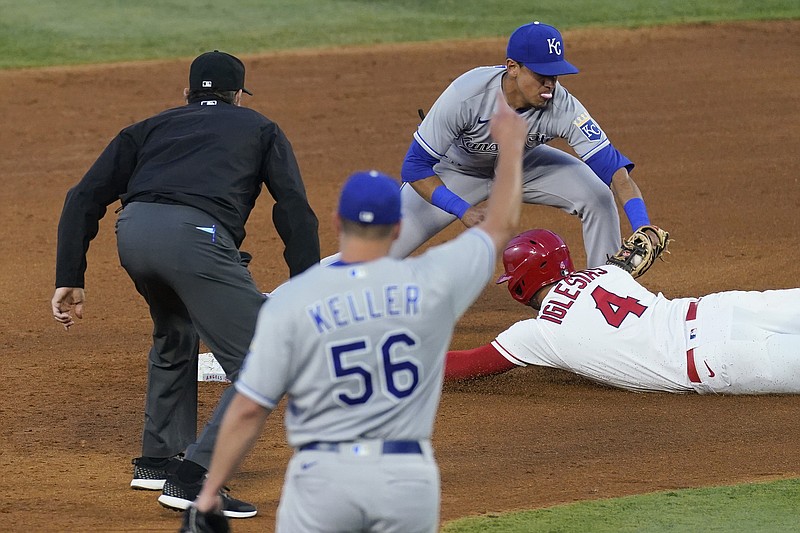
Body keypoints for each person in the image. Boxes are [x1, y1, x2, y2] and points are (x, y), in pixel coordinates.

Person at [185, 95, 526, 533]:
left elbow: (249, 409)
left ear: (336, 222)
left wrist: (210, 494)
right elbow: (498, 226)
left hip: (323, 478)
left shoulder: (292, 301)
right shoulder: (433, 281)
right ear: (399, 229)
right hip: (408, 480)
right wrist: (511, 148)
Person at [51, 50, 320, 518]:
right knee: (265, 358)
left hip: (133, 233)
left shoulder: (150, 127)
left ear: (187, 94)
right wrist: (306, 284)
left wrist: (70, 277)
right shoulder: (260, 127)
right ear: (238, 95)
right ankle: (195, 479)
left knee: (175, 330)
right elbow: (293, 209)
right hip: (193, 239)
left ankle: (157, 458)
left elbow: (82, 197)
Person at [394, 20, 653, 267]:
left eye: (555, 75)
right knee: (381, 250)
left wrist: (643, 224)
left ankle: (606, 286)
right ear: (512, 67)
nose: (550, 84)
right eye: (542, 75)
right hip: (457, 170)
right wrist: (463, 210)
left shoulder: (563, 105)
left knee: (598, 196)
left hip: (521, 163)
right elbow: (415, 167)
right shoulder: (467, 94)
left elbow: (613, 169)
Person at [444, 229, 800, 394]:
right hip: (720, 308)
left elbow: (468, 366)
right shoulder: (606, 271)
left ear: (520, 281)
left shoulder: (536, 335)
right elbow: (626, 261)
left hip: (714, 359)